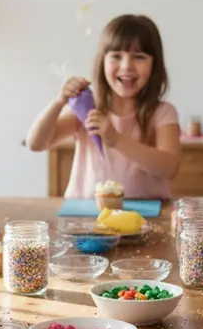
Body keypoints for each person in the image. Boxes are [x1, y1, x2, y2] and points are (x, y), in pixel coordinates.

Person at [26, 14, 181, 198]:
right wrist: (59, 102)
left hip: (147, 220)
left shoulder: (162, 113)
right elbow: (35, 143)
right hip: (87, 217)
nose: (127, 66)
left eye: (139, 57)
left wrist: (116, 139)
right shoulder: (88, 109)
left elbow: (169, 167)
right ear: (103, 62)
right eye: (116, 56)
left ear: (155, 65)